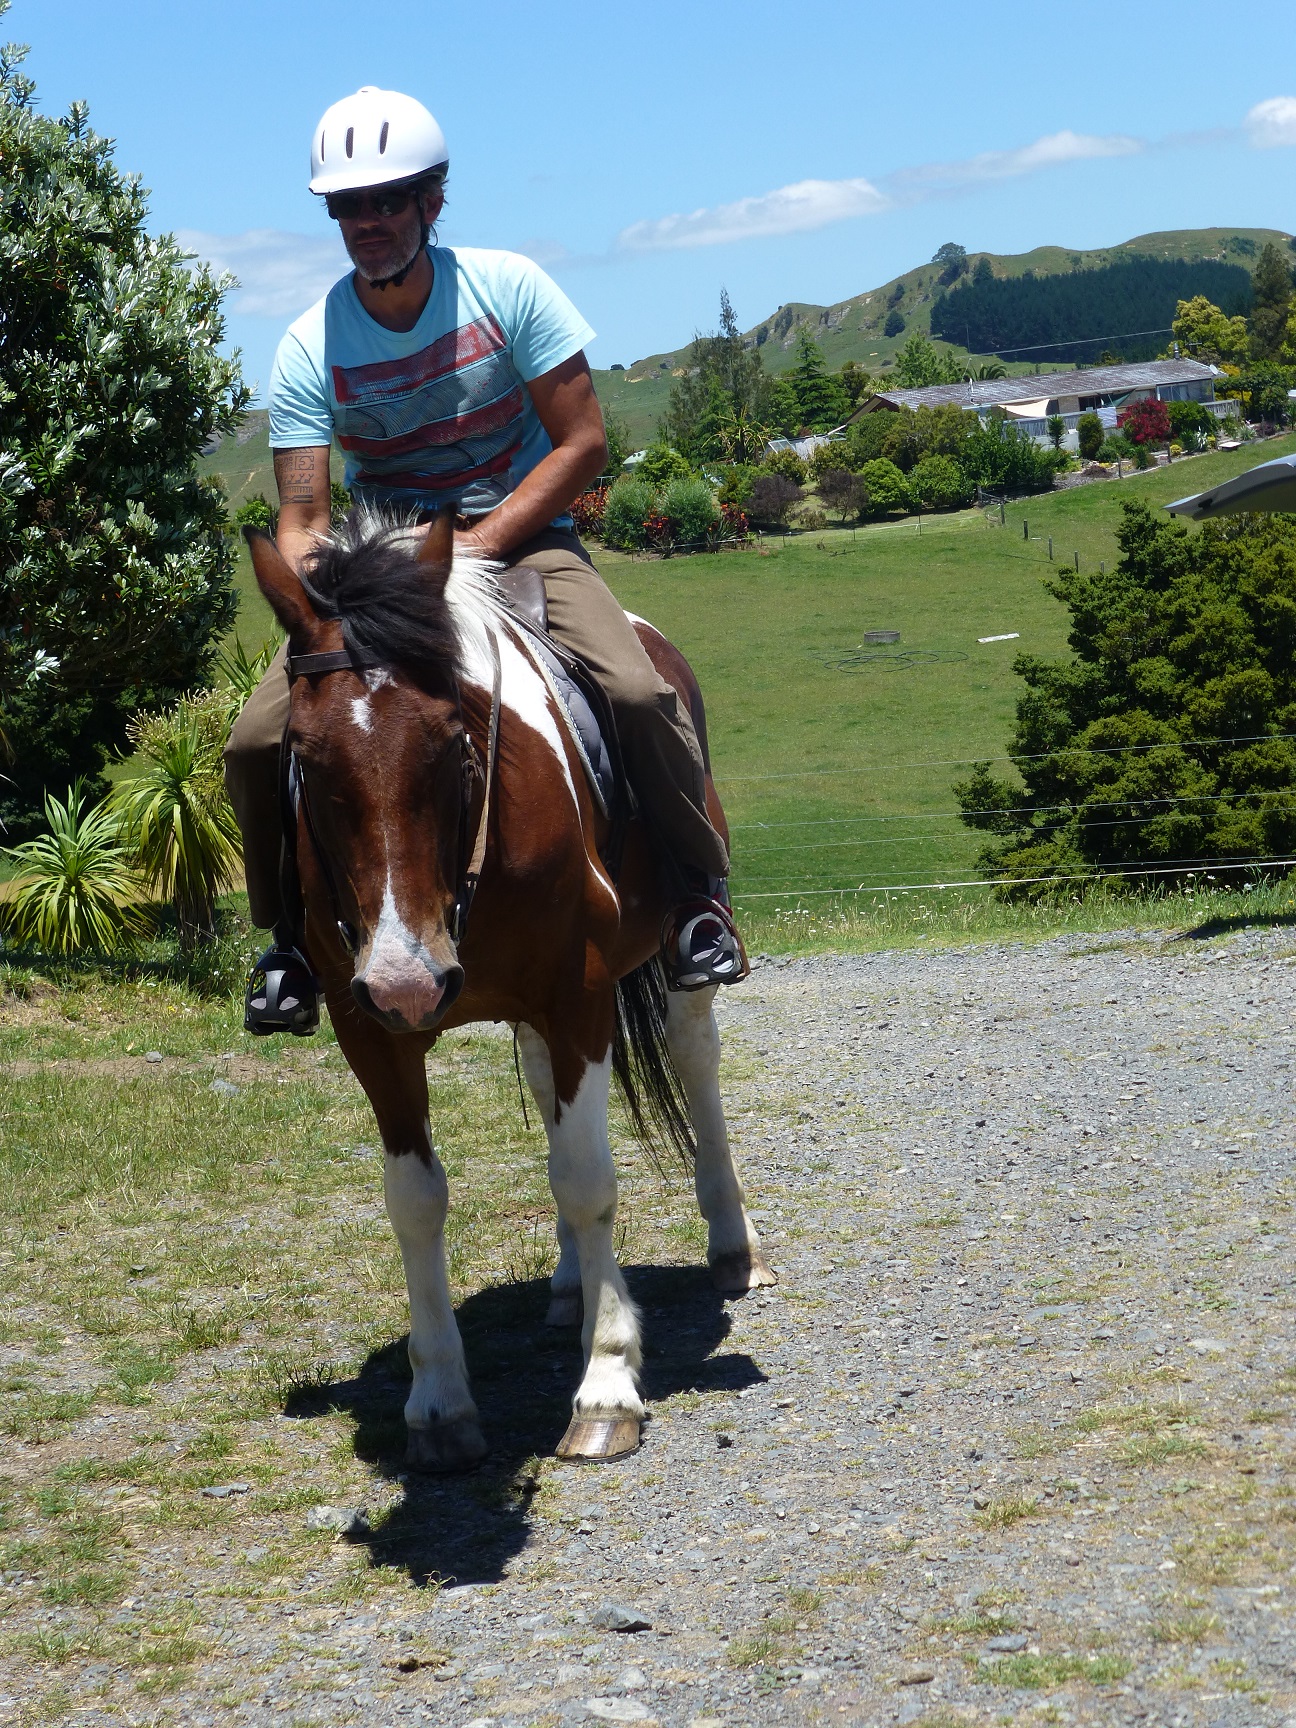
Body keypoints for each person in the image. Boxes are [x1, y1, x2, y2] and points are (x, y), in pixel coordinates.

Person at [224, 86, 747, 1033]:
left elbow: (582, 443)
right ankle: (289, 944)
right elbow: (301, 515)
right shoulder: (308, 344)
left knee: (636, 690)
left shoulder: (510, 289)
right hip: (383, 571)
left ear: (432, 200)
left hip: (526, 542)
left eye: (388, 200)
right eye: (347, 206)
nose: (367, 222)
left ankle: (695, 897)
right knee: (255, 741)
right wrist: (324, 589)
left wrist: (482, 542)